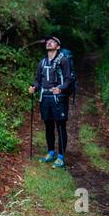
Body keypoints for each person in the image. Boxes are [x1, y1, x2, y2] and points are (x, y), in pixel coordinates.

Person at [28, 36, 72, 168]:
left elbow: (69, 80)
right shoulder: (42, 62)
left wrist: (61, 88)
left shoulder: (63, 60)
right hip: (45, 98)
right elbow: (38, 80)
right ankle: (51, 152)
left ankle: (61, 157)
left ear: (58, 47)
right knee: (48, 126)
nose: (49, 42)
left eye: (53, 42)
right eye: (48, 41)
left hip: (58, 98)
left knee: (60, 126)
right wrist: (34, 87)